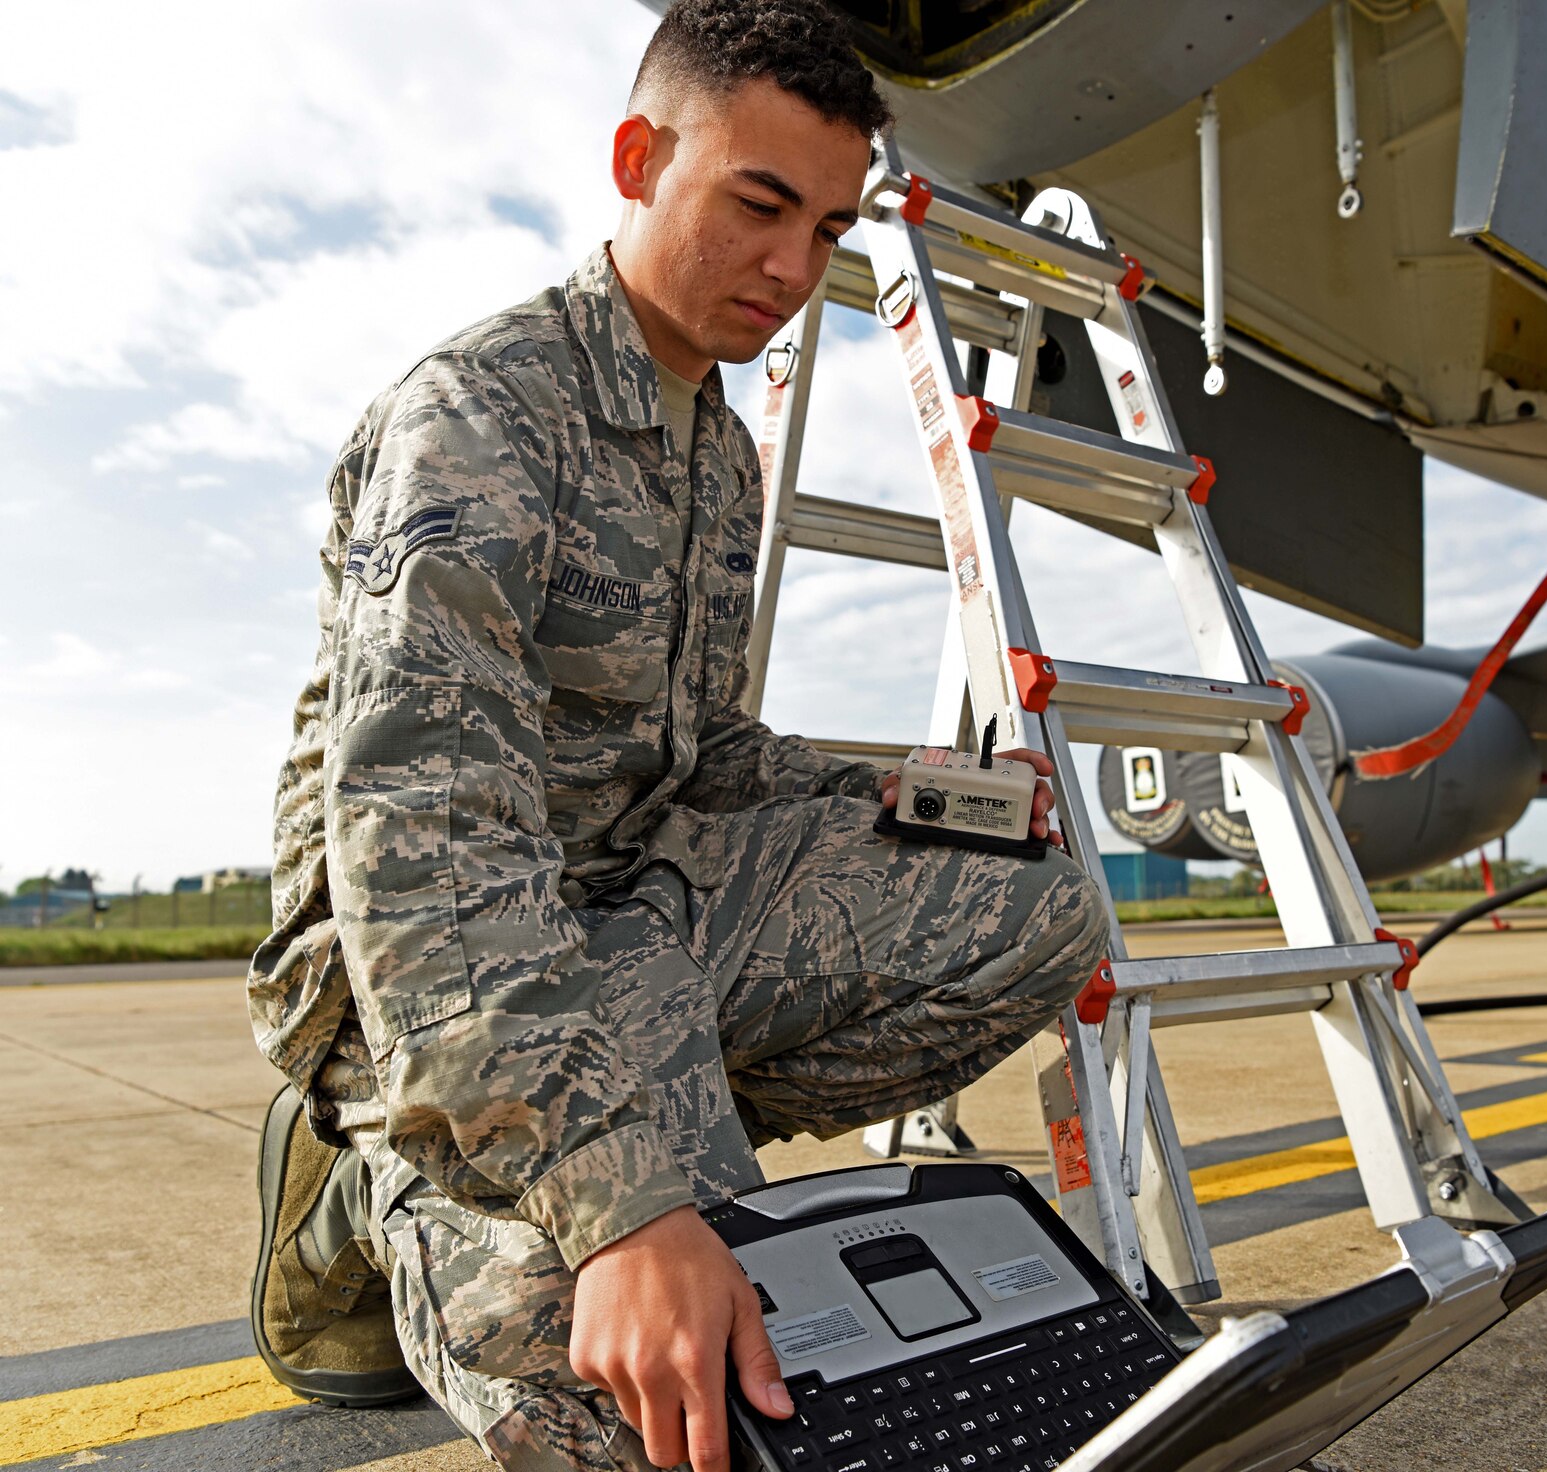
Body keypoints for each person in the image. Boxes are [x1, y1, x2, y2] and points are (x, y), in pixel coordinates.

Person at [244, 3, 1111, 1468]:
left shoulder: (715, 442)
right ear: (639, 159)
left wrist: (914, 793)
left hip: (638, 923)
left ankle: (597, 1140)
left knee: (1040, 902)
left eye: (829, 227)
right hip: (442, 967)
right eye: (758, 205)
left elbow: (705, 760)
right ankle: (397, 1170)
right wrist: (628, 1210)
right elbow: (429, 854)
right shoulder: (481, 417)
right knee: (656, 1404)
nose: (794, 268)